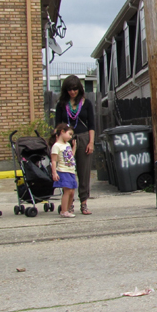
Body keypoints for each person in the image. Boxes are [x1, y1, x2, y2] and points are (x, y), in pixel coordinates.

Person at [55, 75, 95, 215]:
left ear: (79, 89)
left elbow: (92, 125)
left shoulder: (87, 103)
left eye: (75, 89)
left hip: (83, 138)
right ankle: (69, 203)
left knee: (84, 172)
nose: (72, 92)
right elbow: (57, 126)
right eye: (70, 89)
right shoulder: (61, 105)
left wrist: (91, 142)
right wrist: (58, 142)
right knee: (67, 172)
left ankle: (84, 202)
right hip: (66, 141)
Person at [49, 123, 78, 218]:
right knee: (67, 191)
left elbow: (71, 156)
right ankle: (64, 210)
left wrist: (74, 147)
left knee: (72, 192)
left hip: (71, 171)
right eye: (69, 134)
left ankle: (68, 209)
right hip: (63, 170)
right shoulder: (56, 146)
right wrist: (54, 172)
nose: (70, 137)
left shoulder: (68, 145)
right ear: (62, 132)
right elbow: (53, 160)